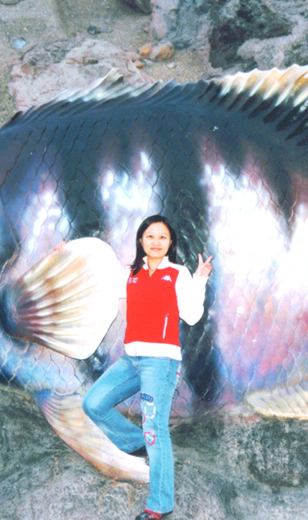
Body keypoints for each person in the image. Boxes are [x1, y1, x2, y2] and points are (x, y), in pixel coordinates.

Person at [82, 215, 213, 520]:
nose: (156, 242)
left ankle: (159, 506)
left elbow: (192, 316)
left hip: (161, 363)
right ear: (141, 240)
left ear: (170, 242)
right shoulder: (131, 274)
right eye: (150, 236)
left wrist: (200, 279)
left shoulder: (177, 273)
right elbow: (95, 282)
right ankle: (140, 443)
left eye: (162, 237)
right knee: (93, 403)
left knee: (156, 428)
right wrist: (65, 254)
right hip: (131, 360)